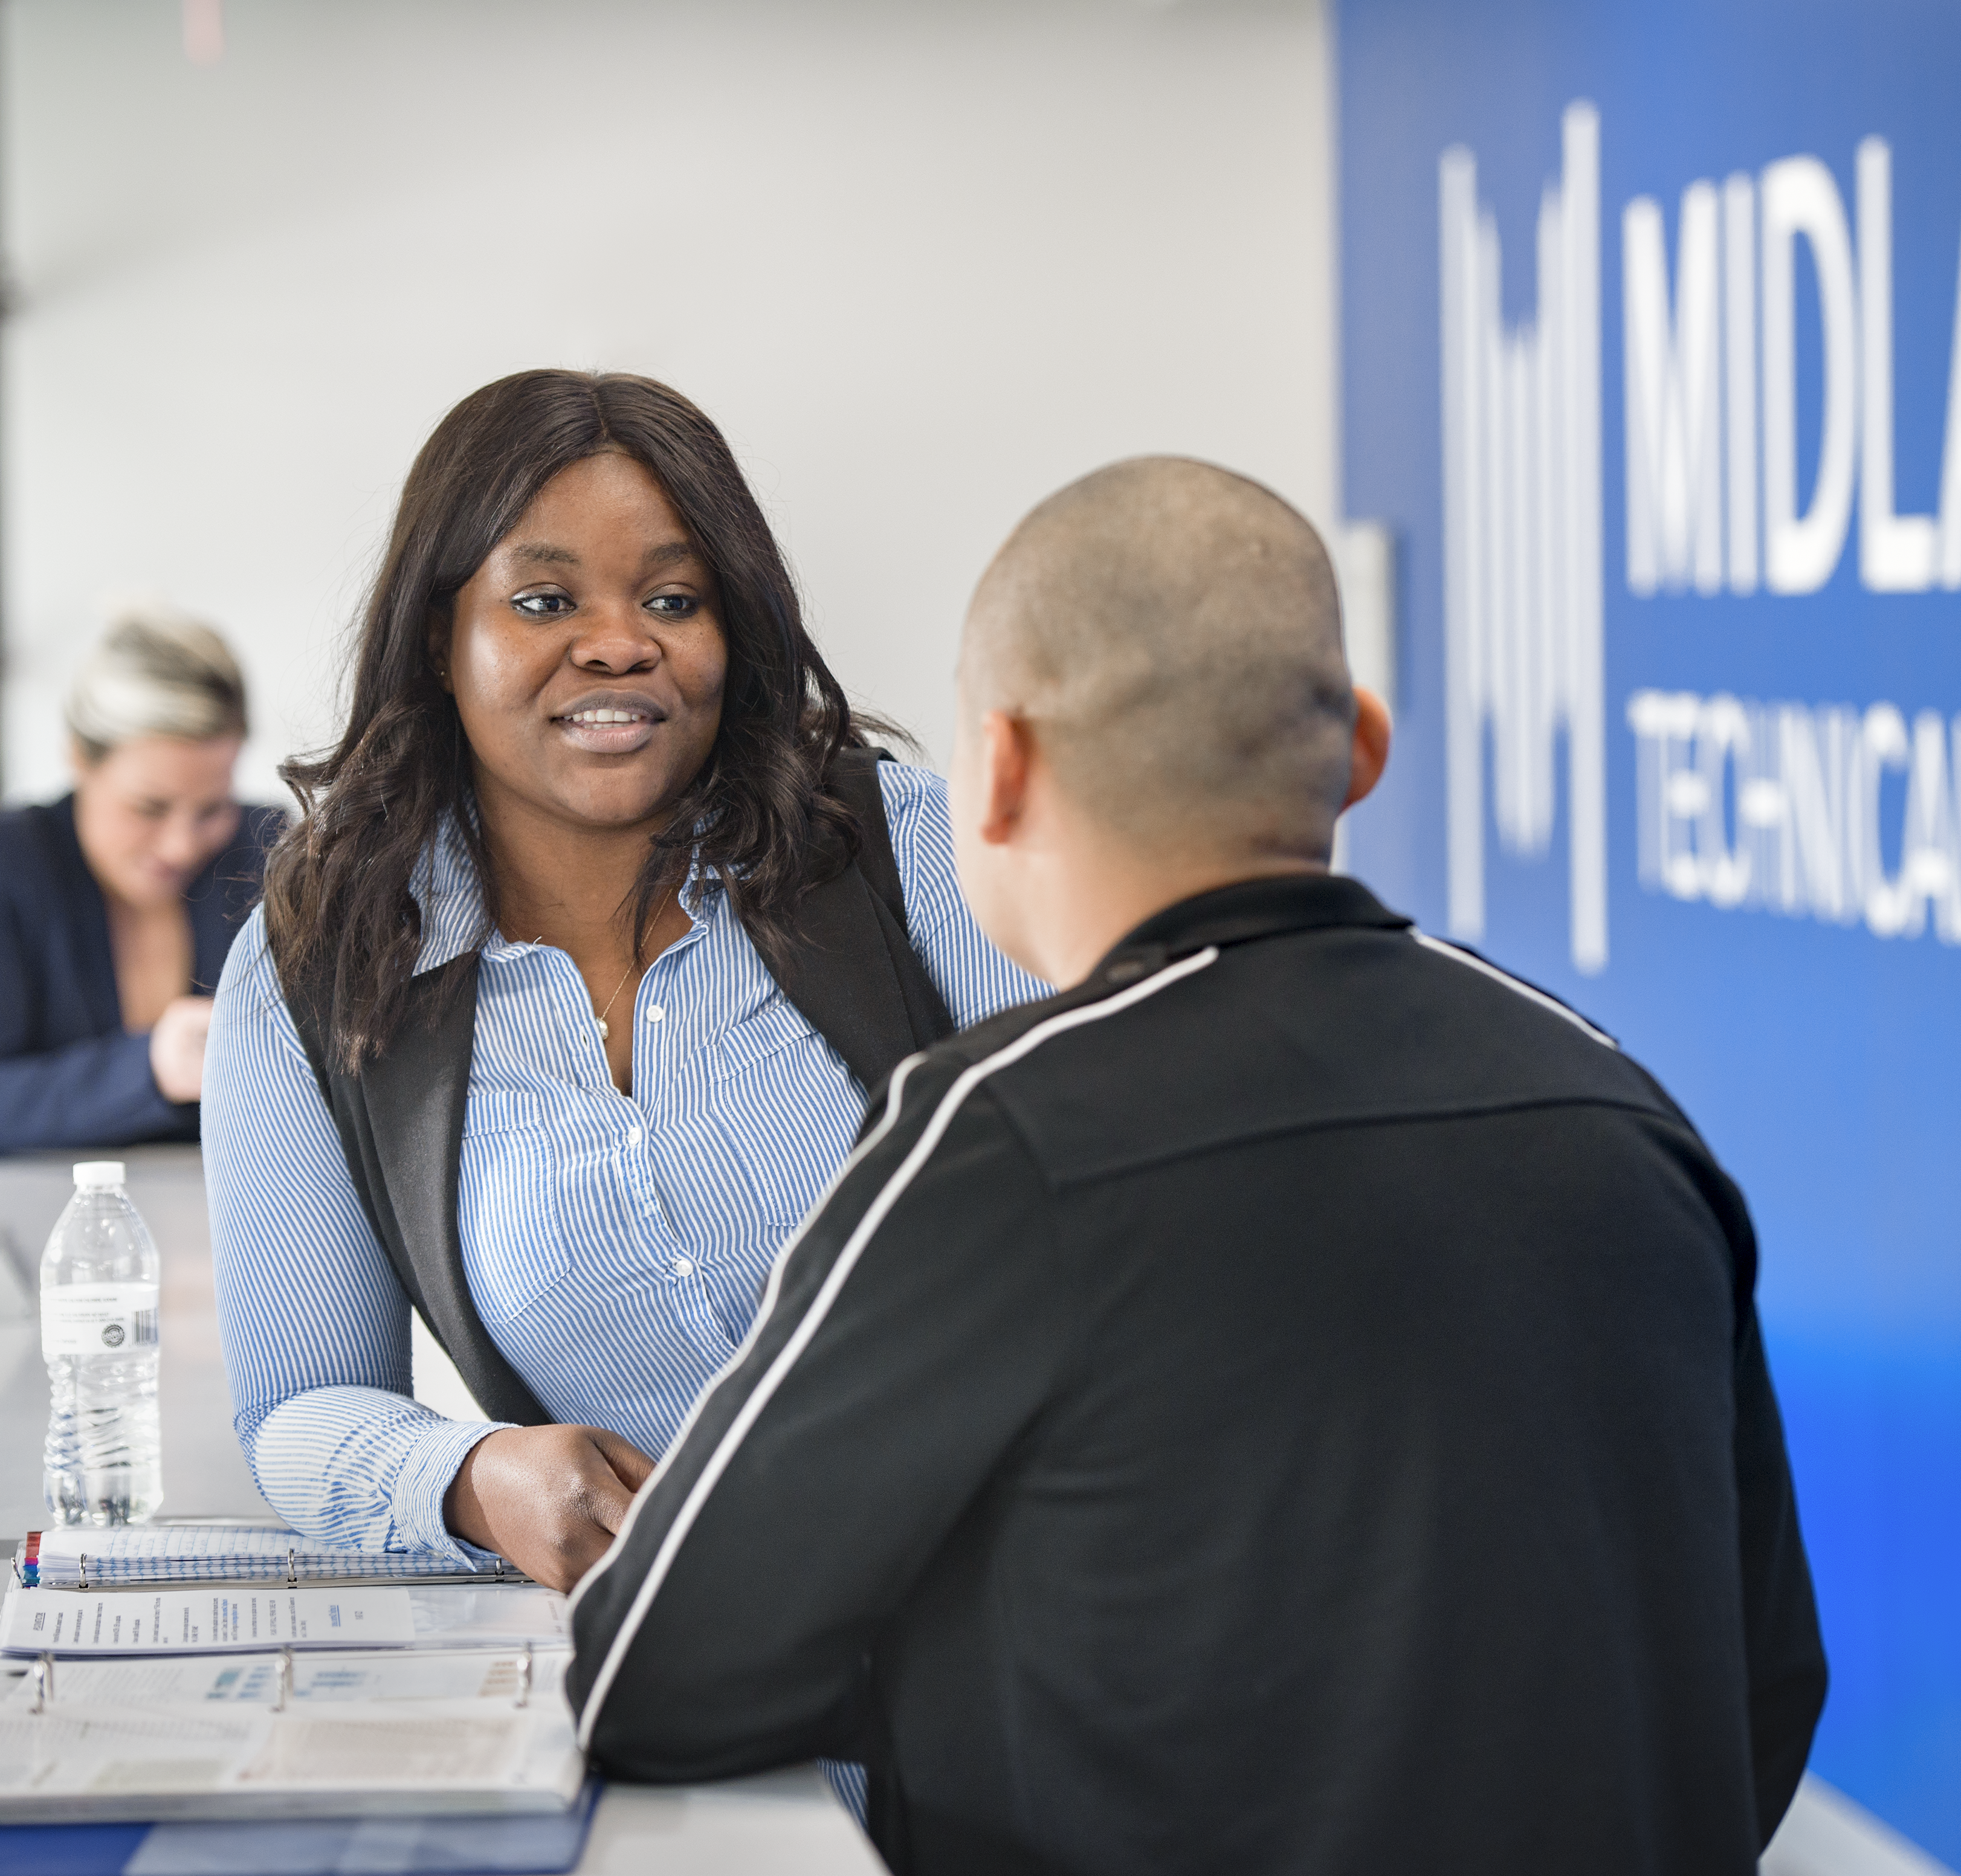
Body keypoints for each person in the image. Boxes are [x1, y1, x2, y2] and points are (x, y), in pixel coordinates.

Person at [563, 457, 1829, 1874]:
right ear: (1357, 746)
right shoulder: (1615, 1106)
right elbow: (1760, 1685)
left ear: (999, 769)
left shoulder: (997, 1135)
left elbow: (656, 1672)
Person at [202, 371, 1040, 1600]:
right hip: (711, 1687)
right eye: (545, 599)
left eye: (672, 596)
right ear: (441, 635)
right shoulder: (318, 968)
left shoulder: (905, 849)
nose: (617, 641)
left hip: (1025, 1632)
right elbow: (300, 1404)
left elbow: (1115, 1192)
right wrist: (478, 1477)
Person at [0, 610, 277, 1155]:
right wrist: (152, 1067)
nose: (181, 845)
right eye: (149, 808)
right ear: (79, 760)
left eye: (212, 809)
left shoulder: (268, 851)